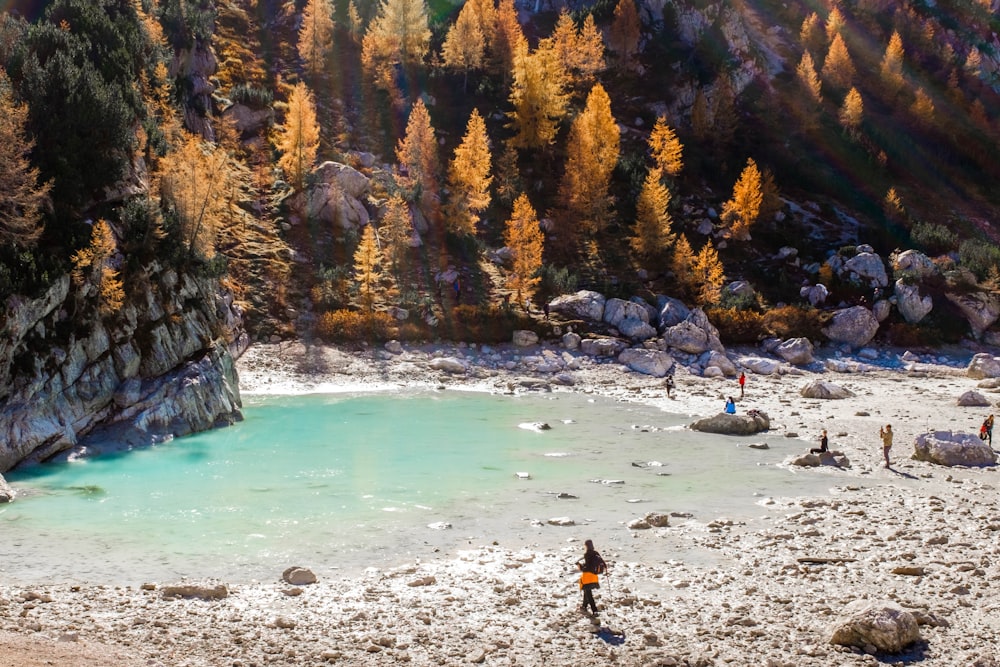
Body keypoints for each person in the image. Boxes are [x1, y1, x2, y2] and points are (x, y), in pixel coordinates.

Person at [576, 539, 607, 616]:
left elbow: (587, 568)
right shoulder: (596, 553)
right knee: (586, 591)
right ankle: (584, 606)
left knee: (588, 593)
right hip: (594, 576)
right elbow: (603, 563)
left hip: (587, 577)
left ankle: (594, 610)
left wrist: (579, 566)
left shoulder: (587, 554)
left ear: (586, 546)